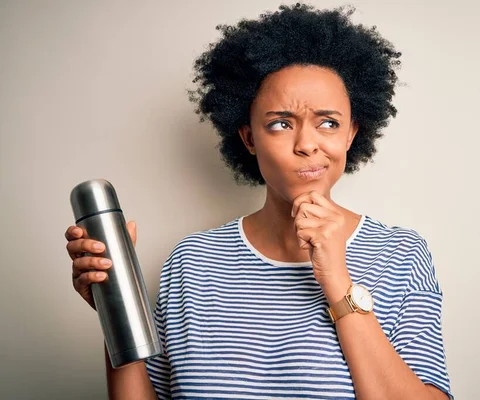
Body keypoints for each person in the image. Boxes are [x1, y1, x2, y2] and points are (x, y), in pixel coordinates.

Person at [65, 4, 453, 399]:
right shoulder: (191, 262)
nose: (306, 145)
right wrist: (116, 316)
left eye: (329, 123)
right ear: (249, 138)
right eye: (280, 124)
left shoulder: (400, 255)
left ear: (351, 134)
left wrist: (337, 280)